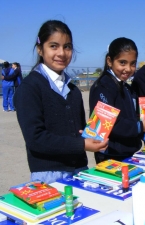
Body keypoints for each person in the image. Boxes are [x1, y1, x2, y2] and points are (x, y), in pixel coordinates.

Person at [13, 20, 108, 184]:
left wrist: (94, 134)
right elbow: (36, 139)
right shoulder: (30, 88)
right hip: (48, 176)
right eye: (53, 46)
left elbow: (78, 131)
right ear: (40, 49)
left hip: (79, 171)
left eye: (67, 47)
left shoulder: (74, 90)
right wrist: (81, 144)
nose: (62, 53)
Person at [89, 37, 145, 163]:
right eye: (122, 63)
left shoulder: (127, 87)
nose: (128, 69)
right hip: (110, 155)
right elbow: (108, 124)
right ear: (109, 61)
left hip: (128, 152)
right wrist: (141, 126)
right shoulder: (103, 87)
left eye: (132, 63)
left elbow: (133, 115)